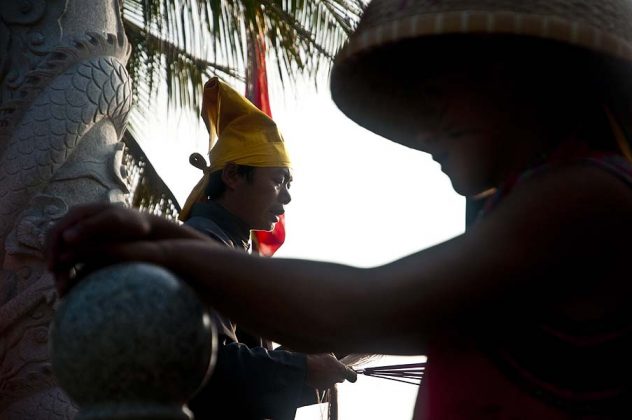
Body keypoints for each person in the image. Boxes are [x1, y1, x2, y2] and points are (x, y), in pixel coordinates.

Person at [48, 1, 632, 418]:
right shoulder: (551, 199)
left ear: (518, 72)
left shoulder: (584, 200)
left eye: (434, 93)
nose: (422, 129)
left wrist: (159, 243)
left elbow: (352, 304)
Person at [175, 78, 356, 419]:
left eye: (288, 184)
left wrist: (320, 355)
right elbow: (207, 365)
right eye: (277, 181)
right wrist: (301, 368)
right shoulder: (202, 246)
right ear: (232, 175)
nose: (287, 196)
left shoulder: (226, 248)